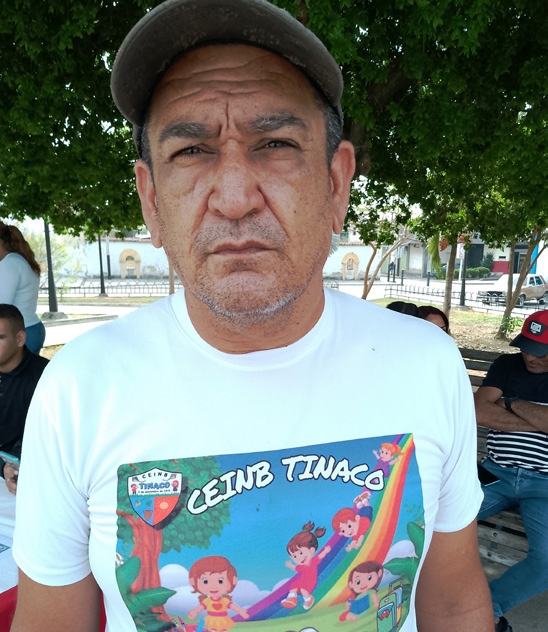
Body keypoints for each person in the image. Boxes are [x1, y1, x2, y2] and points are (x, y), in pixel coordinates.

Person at [10, 1, 492, 630]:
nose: (235, 199)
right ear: (151, 200)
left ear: (337, 184)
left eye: (275, 144)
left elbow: (453, 601)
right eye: (191, 150)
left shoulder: (425, 363)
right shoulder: (79, 390)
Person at [475, 310, 548, 632]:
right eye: (526, 347)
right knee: (430, 520)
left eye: (541, 351)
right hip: (495, 472)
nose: (530, 357)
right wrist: (538, 420)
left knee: (547, 559)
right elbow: (478, 412)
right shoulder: (507, 364)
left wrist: (508, 402)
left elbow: (492, 408)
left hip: (544, 483)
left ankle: (484, 610)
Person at [0, 304, 48, 495]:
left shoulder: (46, 378)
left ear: (20, 338)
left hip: (28, 472)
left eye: (0, 338)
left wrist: (12, 465)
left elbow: (46, 435)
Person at [0, 222, 45, 354]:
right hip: (32, 329)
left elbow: (2, 305)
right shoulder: (22, 262)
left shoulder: (9, 264)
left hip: (17, 333)